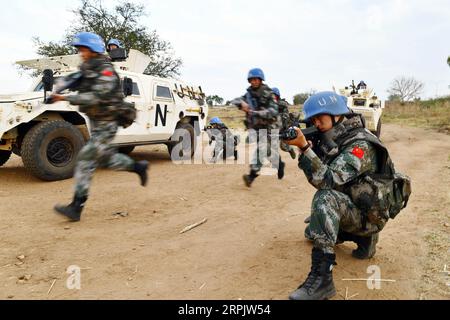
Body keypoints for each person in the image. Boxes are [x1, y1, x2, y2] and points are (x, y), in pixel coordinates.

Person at [284, 91, 410, 300]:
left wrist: (306, 149)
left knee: (324, 200)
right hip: (360, 208)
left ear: (336, 114)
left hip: (369, 217)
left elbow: (328, 180)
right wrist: (305, 149)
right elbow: (321, 176)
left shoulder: (360, 144)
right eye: (312, 119)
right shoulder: (335, 137)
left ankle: (322, 279)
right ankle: (365, 240)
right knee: (311, 232)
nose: (316, 123)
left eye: (319, 118)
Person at [51, 32, 149, 222]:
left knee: (85, 158)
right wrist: (59, 87)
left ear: (94, 49)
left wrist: (64, 98)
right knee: (105, 159)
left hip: (108, 122)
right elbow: (74, 77)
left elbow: (96, 97)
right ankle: (138, 167)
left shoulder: (106, 71)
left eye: (83, 49)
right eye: (79, 50)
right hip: (96, 121)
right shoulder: (88, 67)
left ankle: (76, 206)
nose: (81, 53)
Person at [235, 68, 282, 187]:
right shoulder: (248, 94)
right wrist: (241, 104)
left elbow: (273, 110)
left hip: (271, 126)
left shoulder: (268, 93)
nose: (253, 82)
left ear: (261, 80)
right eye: (251, 80)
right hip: (258, 128)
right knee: (267, 150)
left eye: (255, 79)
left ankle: (251, 176)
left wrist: (257, 112)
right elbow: (235, 101)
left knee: (262, 149)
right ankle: (279, 164)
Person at [272, 87, 297, 160]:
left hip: (284, 128)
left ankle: (290, 150)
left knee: (283, 146)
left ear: (277, 96)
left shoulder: (282, 103)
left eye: (274, 95)